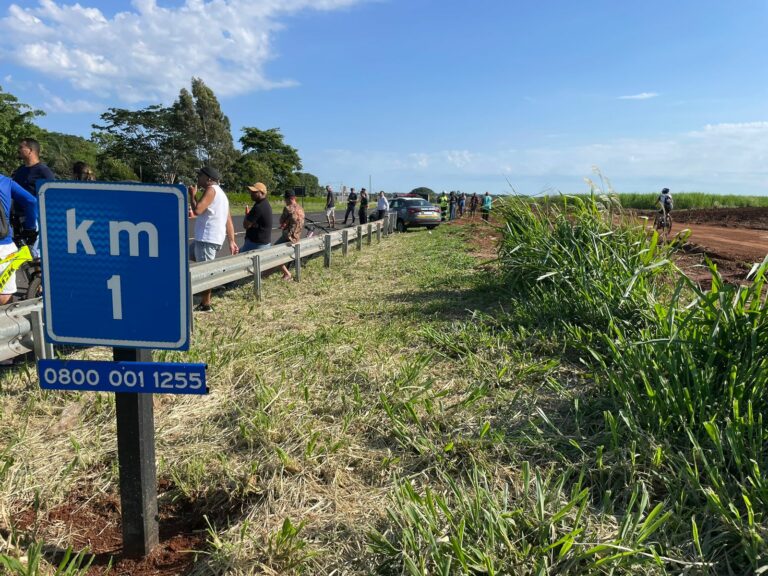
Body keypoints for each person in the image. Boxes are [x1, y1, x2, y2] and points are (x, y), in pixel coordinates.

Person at [188, 166, 239, 312]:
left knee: (205, 271)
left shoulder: (210, 190)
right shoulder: (222, 194)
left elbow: (197, 210)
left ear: (209, 179)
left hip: (206, 238)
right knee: (187, 254)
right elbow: (228, 219)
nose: (198, 178)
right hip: (212, 239)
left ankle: (206, 304)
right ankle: (201, 292)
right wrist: (231, 240)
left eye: (200, 176)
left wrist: (192, 195)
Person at [0, 173, 38, 305]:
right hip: (2, 245)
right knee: (4, 297)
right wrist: (30, 227)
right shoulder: (4, 182)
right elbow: (31, 201)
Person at [275, 189, 305, 281]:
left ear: (287, 199)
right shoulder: (301, 208)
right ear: (294, 198)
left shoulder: (287, 208)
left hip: (288, 237)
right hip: (297, 237)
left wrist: (285, 223)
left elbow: (281, 221)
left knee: (273, 253)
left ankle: (287, 274)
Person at [241, 182, 273, 253]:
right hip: (263, 243)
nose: (251, 193)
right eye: (251, 191)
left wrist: (247, 214)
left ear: (261, 193)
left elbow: (246, 225)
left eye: (254, 192)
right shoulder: (265, 204)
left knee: (237, 261)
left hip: (256, 244)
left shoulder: (259, 207)